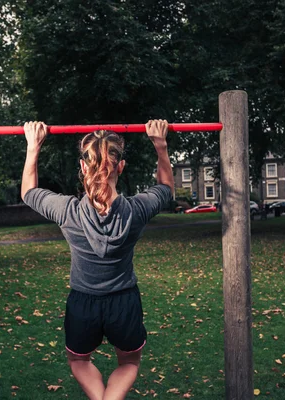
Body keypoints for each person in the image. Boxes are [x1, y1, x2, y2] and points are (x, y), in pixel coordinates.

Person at [21, 120, 174, 400]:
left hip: (83, 304)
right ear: (121, 167)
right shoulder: (138, 210)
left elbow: (28, 193)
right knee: (128, 362)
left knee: (79, 360)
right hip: (124, 303)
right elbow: (166, 187)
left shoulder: (67, 211)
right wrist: (160, 146)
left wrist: (34, 146)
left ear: (83, 168)